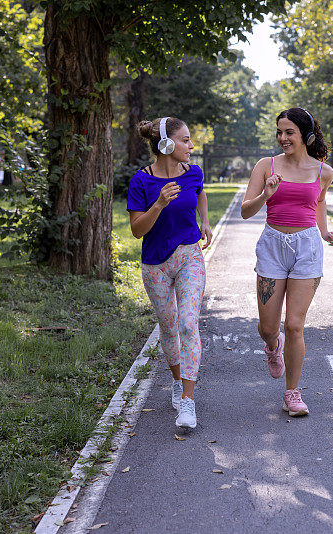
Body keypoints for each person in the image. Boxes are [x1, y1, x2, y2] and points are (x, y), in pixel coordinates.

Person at [241, 107, 333, 417]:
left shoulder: (323, 171)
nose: (283, 138)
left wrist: (324, 232)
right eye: (279, 132)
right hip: (272, 246)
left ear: (306, 136)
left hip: (307, 248)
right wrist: (266, 194)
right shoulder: (266, 166)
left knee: (295, 325)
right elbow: (246, 210)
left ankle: (292, 393)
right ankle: (273, 347)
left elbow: (320, 201)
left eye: (289, 132)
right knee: (268, 327)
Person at [127, 116, 212, 429]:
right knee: (169, 326)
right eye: (185, 140)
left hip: (189, 255)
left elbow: (199, 193)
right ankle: (178, 381)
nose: (191, 146)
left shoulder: (193, 173)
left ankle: (188, 403)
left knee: (188, 323)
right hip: (155, 264)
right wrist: (159, 204)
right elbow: (137, 231)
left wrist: (204, 221)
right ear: (165, 144)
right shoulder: (142, 181)